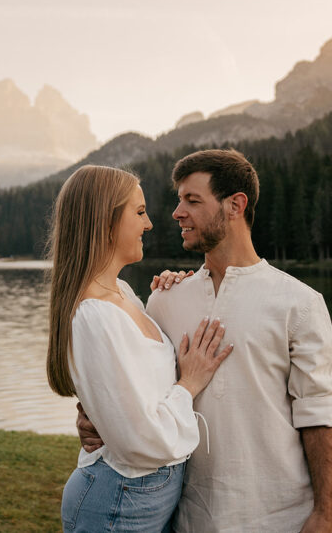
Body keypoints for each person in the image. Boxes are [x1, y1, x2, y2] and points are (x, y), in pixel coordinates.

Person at [77, 149, 332, 532]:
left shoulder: (299, 303)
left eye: (192, 200)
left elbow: (319, 414)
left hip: (278, 517)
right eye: (178, 199)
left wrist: (323, 513)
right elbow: (135, 380)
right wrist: (92, 413)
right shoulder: (165, 298)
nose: (176, 213)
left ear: (235, 205)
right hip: (186, 517)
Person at [46, 164, 234, 532]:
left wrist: (178, 288)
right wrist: (189, 384)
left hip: (139, 498)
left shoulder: (123, 294)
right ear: (105, 221)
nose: (149, 224)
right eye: (139, 212)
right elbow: (140, 441)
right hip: (120, 499)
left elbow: (134, 385)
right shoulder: (94, 314)